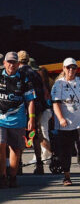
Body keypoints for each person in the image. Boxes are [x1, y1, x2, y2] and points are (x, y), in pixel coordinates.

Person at [51, 58, 80, 186]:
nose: (71, 70)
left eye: (74, 68)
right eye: (68, 67)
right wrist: (60, 118)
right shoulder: (58, 84)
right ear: (64, 69)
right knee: (65, 150)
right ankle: (67, 177)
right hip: (65, 123)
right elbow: (56, 103)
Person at [0, 51, 37, 188]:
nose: (11, 65)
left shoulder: (24, 78)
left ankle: (13, 177)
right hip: (1, 120)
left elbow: (31, 100)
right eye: (9, 62)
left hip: (18, 120)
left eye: (14, 62)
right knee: (0, 145)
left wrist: (31, 118)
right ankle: (2, 176)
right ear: (4, 63)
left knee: (15, 149)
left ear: (18, 63)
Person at [18, 51, 52, 174]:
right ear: (27, 60)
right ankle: (39, 164)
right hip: (37, 109)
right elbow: (42, 92)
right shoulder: (36, 73)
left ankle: (19, 166)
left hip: (23, 109)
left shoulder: (18, 73)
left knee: (21, 135)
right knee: (35, 135)